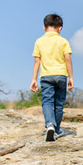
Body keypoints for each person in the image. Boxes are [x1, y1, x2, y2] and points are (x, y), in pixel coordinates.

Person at [30, 14, 74, 142]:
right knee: (59, 104)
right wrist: (70, 77)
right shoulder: (63, 41)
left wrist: (33, 79)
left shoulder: (39, 41)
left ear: (44, 27)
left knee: (47, 102)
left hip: (46, 76)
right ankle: (57, 129)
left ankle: (50, 125)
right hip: (61, 75)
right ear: (60, 28)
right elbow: (68, 59)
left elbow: (37, 61)